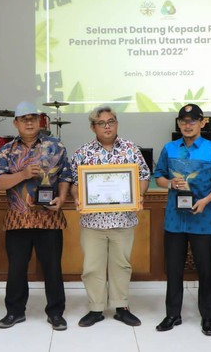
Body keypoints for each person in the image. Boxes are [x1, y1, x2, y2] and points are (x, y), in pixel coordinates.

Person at [0, 101, 71, 331]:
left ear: (40, 121)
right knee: (16, 268)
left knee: (53, 267)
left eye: (33, 118)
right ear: (15, 122)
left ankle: (56, 313)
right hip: (18, 218)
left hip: (49, 217)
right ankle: (14, 312)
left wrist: (63, 198)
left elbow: (66, 175)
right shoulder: (6, 150)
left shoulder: (56, 146)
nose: (29, 122)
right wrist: (23, 173)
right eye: (23, 118)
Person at [70, 106, 150, 327]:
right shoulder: (82, 152)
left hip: (122, 220)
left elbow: (144, 176)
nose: (107, 126)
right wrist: (77, 197)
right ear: (92, 127)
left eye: (111, 121)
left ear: (117, 123)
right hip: (93, 222)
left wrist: (139, 195)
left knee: (121, 265)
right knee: (92, 266)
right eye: (102, 123)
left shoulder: (131, 149)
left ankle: (121, 306)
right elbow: (75, 184)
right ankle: (95, 309)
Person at [154, 103, 211, 335]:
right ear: (178, 123)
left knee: (206, 270)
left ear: (202, 123)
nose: (188, 125)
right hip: (174, 219)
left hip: (202, 218)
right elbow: (159, 176)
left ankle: (207, 316)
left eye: (193, 121)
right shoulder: (169, 148)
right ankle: (172, 314)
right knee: (174, 269)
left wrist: (206, 201)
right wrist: (170, 183)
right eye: (183, 121)